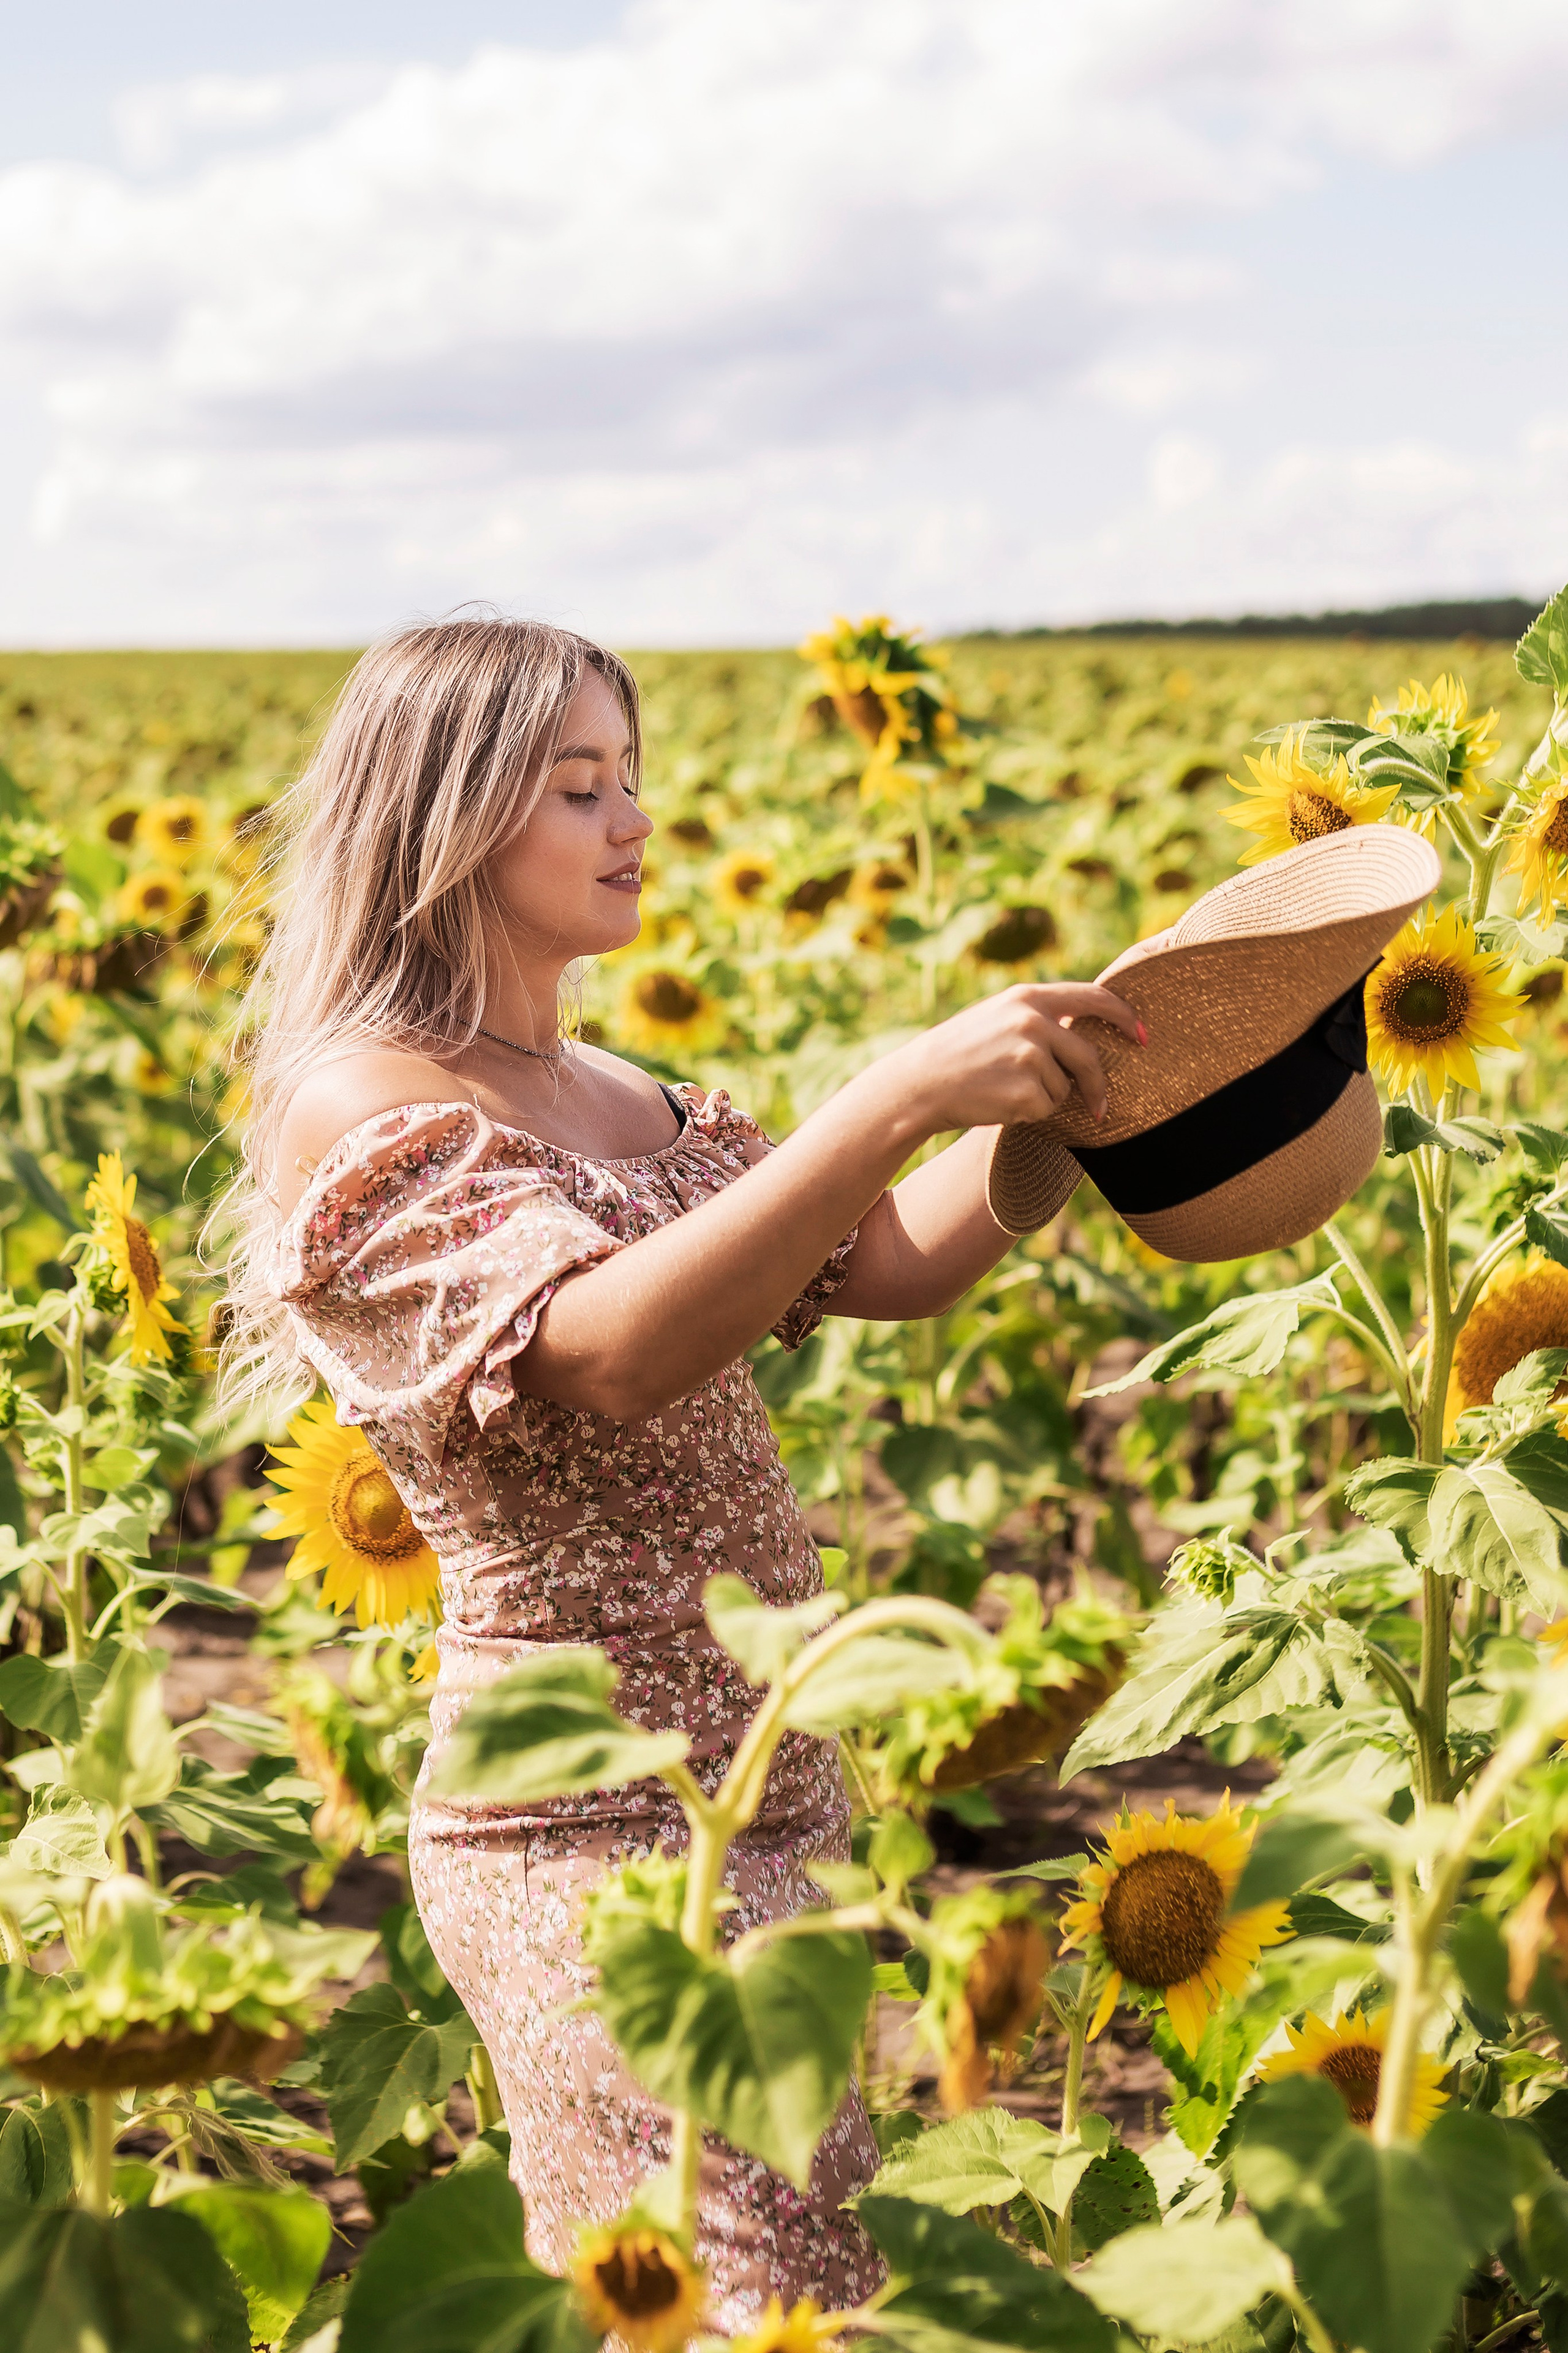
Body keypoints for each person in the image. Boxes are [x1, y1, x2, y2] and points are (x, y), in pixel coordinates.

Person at [223, 615, 1140, 2330]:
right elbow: (610, 1344)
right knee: (738, 2279)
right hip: (574, 1815)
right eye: (580, 785)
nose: (633, 815)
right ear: (446, 816)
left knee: (785, 2280)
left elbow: (880, 1261)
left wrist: (1065, 1116)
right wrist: (886, 1095)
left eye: (631, 774)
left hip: (765, 1792)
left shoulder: (621, 1094)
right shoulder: (367, 1106)